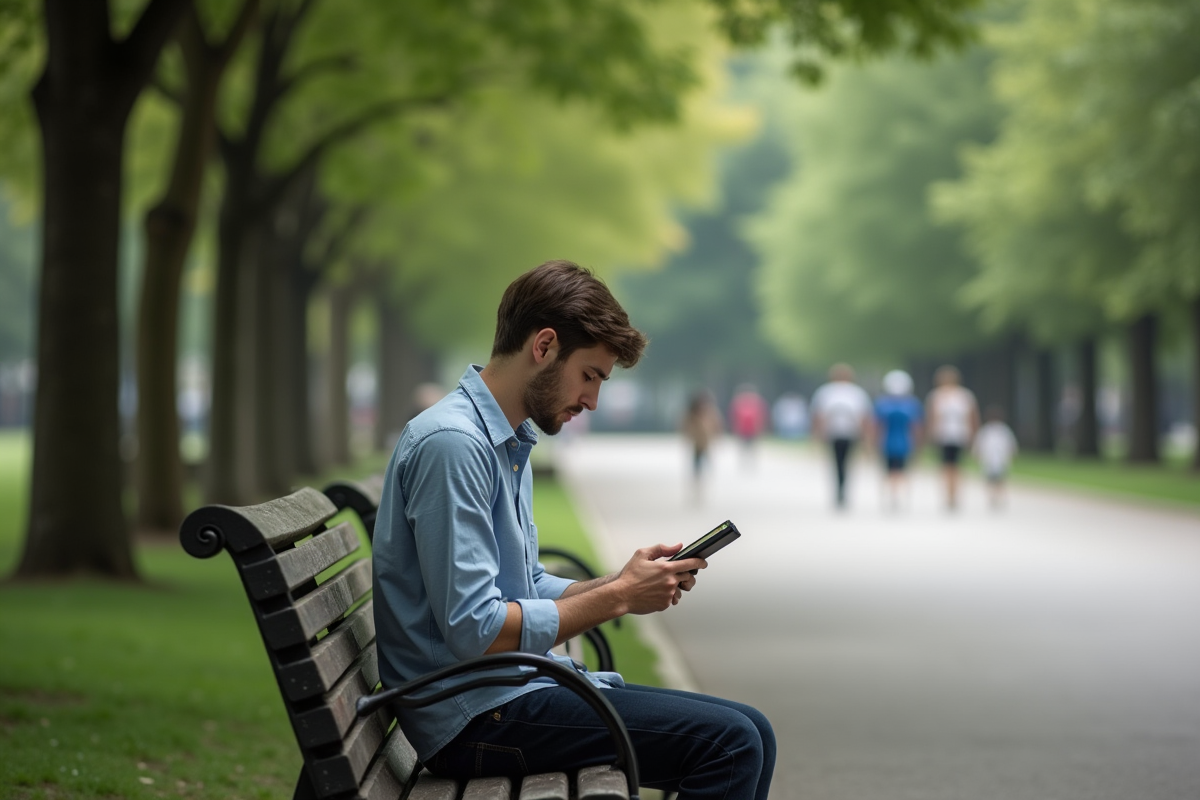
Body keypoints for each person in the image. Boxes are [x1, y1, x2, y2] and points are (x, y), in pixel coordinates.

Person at [372, 260, 775, 800]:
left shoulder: (504, 442)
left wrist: (620, 583)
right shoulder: (455, 444)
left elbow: (525, 586)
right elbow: (476, 628)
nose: (592, 400)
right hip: (473, 719)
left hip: (502, 694)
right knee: (731, 745)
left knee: (756, 731)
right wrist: (618, 601)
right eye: (590, 375)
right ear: (543, 346)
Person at [809, 364, 874, 508]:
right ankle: (841, 490)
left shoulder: (827, 392)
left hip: (846, 433)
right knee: (842, 463)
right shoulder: (853, 393)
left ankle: (841, 489)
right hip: (838, 433)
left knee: (840, 463)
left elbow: (818, 416)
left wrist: (816, 434)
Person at [925, 364, 980, 510]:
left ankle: (954, 494)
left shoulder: (964, 396)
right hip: (943, 436)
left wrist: (974, 435)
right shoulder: (936, 396)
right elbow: (932, 417)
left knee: (955, 466)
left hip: (960, 435)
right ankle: (949, 494)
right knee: (947, 466)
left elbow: (972, 417)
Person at [873, 369, 923, 510]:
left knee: (889, 470)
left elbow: (877, 426)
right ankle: (898, 495)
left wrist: (872, 442)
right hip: (904, 442)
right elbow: (916, 427)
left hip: (887, 442)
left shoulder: (882, 403)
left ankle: (892, 495)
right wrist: (919, 443)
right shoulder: (912, 404)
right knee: (901, 470)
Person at [679, 390, 723, 498]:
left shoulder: (710, 412)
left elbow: (717, 424)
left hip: (706, 442)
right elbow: (685, 426)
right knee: (697, 465)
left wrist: (717, 436)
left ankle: (703, 481)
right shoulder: (692, 414)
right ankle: (697, 483)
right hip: (697, 443)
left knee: (706, 463)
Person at [973, 406, 1019, 509]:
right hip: (990, 460)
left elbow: (1010, 445)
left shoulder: (1001, 430)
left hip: (999, 460)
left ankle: (997, 496)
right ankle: (994, 496)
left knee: (998, 479)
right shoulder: (991, 430)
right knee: (993, 479)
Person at [728, 384, 768, 467]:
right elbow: (762, 416)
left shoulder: (738, 401)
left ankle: (746, 462)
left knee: (745, 447)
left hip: (744, 429)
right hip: (751, 429)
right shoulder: (757, 401)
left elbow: (733, 416)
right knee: (750, 447)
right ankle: (749, 462)